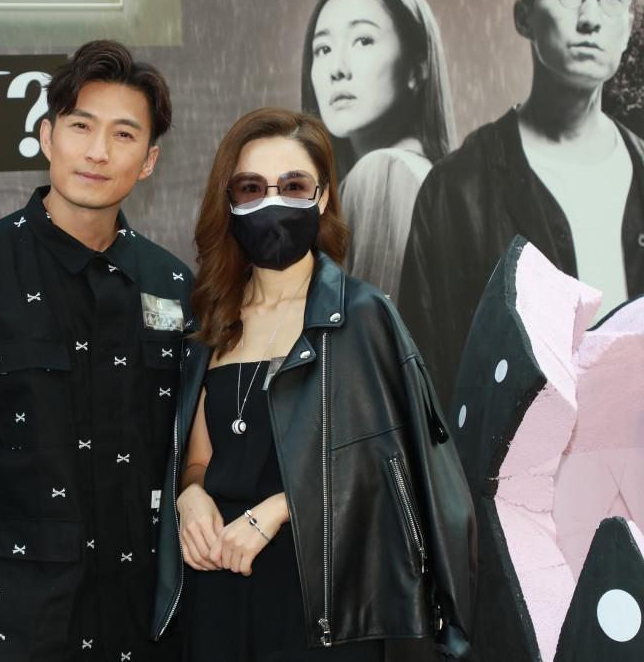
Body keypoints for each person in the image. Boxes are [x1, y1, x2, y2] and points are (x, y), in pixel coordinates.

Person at [0, 40, 191, 662]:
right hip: (9, 620)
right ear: (47, 136)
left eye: (124, 134)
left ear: (149, 160)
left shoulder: (173, 286)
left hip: (145, 621)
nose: (98, 151)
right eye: (81, 126)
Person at [150, 108, 476, 661]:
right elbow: (200, 458)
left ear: (322, 197)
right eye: (252, 188)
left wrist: (279, 509)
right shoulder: (211, 319)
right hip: (218, 586)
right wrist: (191, 496)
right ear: (229, 201)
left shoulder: (363, 316)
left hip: (322, 598)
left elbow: (396, 476)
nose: (272, 202)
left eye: (293, 186)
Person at [398, 0, 644, 403]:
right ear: (524, 17)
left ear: (629, 20)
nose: (590, 18)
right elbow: (424, 393)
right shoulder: (454, 190)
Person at [302, 0, 456, 300]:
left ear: (417, 69)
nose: (337, 69)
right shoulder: (423, 176)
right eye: (323, 49)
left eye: (363, 40)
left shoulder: (384, 174)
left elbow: (373, 330)